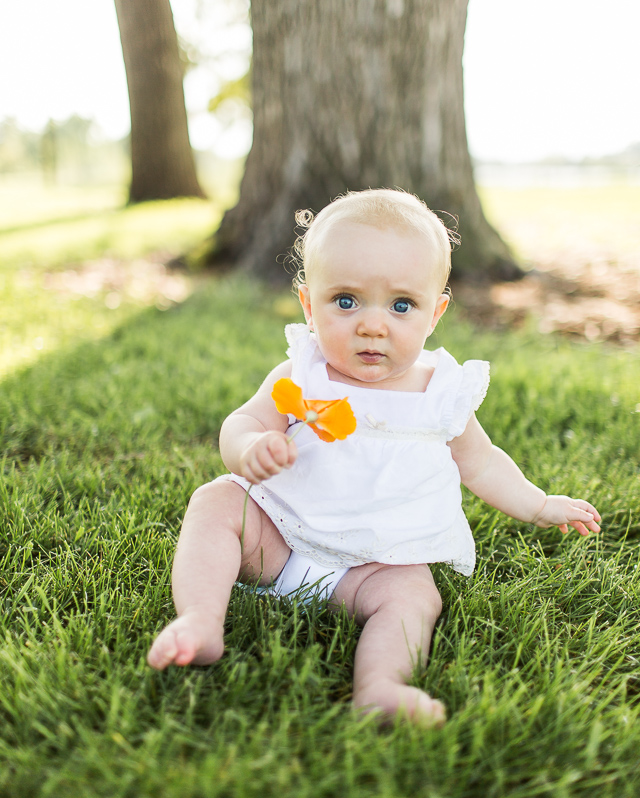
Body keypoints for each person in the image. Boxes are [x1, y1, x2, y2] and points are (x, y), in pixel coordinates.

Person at [148, 189, 601, 726]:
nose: (372, 324)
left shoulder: (440, 392)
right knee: (216, 501)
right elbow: (243, 423)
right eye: (345, 301)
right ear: (307, 305)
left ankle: (381, 685)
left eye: (401, 305)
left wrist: (538, 503)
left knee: (415, 597)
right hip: (282, 542)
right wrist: (250, 448)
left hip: (374, 567)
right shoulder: (302, 374)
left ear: (436, 313)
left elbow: (479, 462)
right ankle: (199, 622)